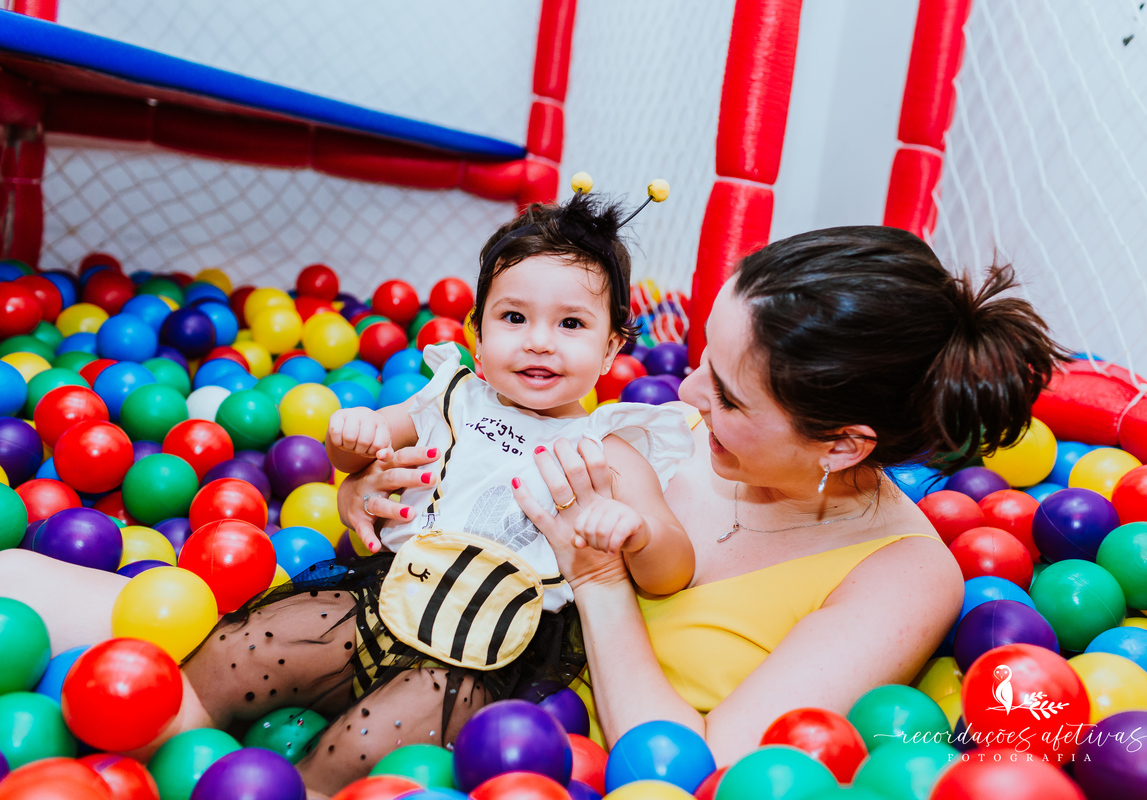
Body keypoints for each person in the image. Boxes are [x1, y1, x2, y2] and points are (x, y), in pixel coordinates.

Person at [0, 191, 695, 797]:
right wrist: (351, 433)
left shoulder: (614, 445)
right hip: (377, 592)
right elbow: (356, 453)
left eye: (571, 325)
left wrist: (634, 533)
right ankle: (159, 753)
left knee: (366, 754)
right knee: (238, 652)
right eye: (514, 318)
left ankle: (310, 787)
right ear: (477, 332)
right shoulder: (453, 396)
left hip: (487, 647)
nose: (539, 342)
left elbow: (673, 567)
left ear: (612, 350)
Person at [469, 225, 1063, 761]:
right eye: (704, 354)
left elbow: (692, 771)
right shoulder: (676, 436)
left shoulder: (903, 578)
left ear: (841, 445)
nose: (688, 390)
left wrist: (598, 580)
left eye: (729, 397)